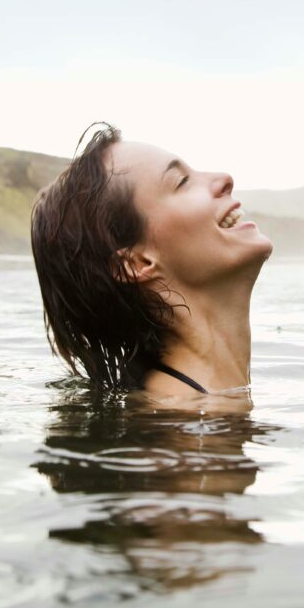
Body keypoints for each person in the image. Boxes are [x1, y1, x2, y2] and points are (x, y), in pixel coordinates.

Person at [30, 123, 273, 401]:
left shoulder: (198, 405)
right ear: (137, 263)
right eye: (182, 182)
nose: (225, 179)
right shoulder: (180, 416)